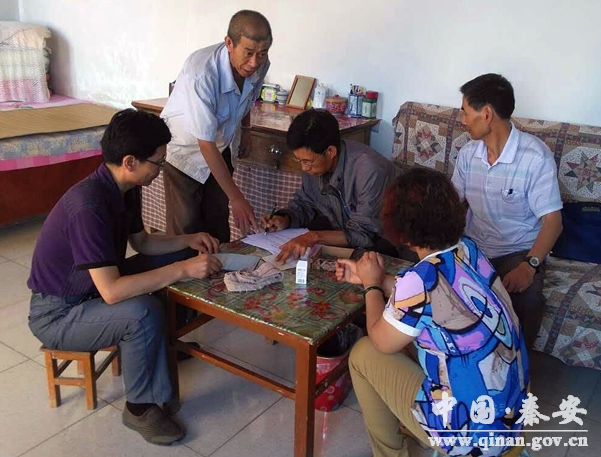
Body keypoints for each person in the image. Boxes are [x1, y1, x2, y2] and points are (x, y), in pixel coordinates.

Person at [27, 109, 222, 446]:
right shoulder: (88, 207)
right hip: (60, 313)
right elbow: (113, 292)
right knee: (143, 312)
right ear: (130, 161)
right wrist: (183, 270)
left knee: (176, 257)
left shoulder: (125, 187)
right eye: (158, 163)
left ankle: (161, 348)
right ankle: (139, 408)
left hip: (92, 291)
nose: (161, 170)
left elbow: (142, 242)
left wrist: (187, 241)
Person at [338, 167, 529, 457]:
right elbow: (429, 295)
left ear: (403, 232)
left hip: (466, 437)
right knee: (408, 339)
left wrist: (371, 286)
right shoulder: (468, 250)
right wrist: (375, 279)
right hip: (511, 416)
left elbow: (381, 340)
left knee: (363, 353)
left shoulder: (418, 281)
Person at [452, 73, 563, 349]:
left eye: (465, 111)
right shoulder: (468, 154)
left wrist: (529, 266)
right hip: (474, 247)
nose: (462, 120)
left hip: (518, 252)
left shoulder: (535, 157)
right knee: (433, 278)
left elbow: (553, 222)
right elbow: (452, 204)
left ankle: (518, 366)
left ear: (487, 114)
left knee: (527, 299)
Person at [161, 10, 272, 241]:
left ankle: (220, 266)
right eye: (248, 53)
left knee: (218, 226)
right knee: (187, 231)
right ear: (229, 43)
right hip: (186, 153)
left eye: (262, 54)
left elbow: (249, 97)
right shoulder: (202, 73)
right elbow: (205, 144)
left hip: (220, 149)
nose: (254, 63)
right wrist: (237, 198)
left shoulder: (261, 64)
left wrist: (247, 130)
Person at [261, 109, 396, 263]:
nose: (304, 168)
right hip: (345, 230)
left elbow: (363, 234)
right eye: (300, 161)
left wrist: (313, 237)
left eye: (307, 161)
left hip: (383, 240)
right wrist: (285, 219)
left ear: (330, 151)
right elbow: (305, 204)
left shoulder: (369, 170)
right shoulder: (315, 165)